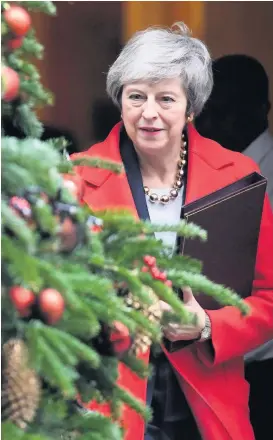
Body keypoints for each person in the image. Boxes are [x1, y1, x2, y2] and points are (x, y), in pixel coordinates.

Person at [72, 23, 273, 440]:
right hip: (108, 397)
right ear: (120, 99)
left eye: (165, 98)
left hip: (207, 400)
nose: (149, 113)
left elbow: (269, 298)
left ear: (191, 107)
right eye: (136, 97)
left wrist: (208, 326)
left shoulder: (236, 175)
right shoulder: (76, 178)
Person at [195, 54, 273, 440]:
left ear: (261, 110)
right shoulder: (213, 169)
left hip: (261, 364)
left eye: (224, 111)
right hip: (216, 355)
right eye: (206, 110)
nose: (208, 124)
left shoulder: (266, 177)